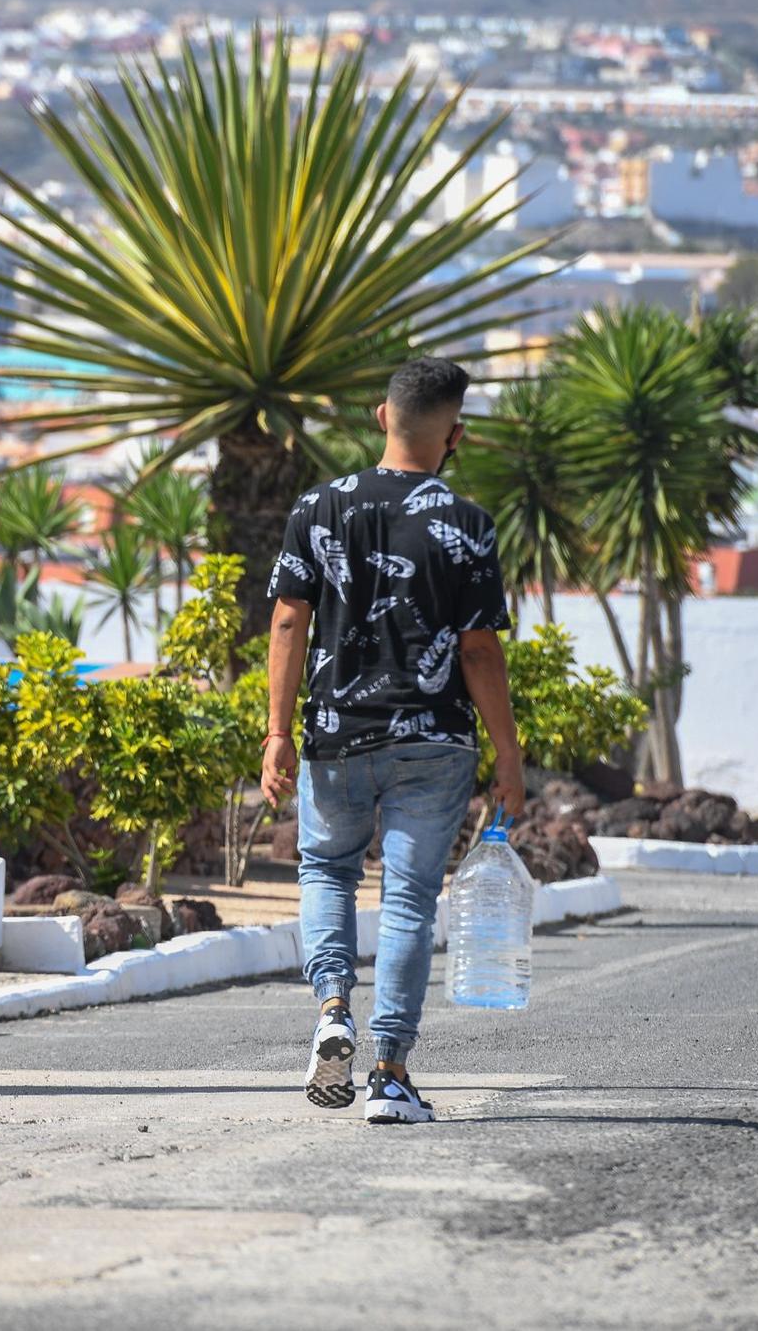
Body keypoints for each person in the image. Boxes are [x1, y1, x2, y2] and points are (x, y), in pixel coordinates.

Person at [260, 357, 526, 1125]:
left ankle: (333, 1007)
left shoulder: (318, 507)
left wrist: (278, 733)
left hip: (336, 735)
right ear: (456, 436)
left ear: (382, 416)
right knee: (408, 899)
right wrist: (508, 756)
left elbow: (286, 620)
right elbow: (478, 651)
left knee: (327, 872)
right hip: (433, 742)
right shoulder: (468, 524)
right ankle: (389, 1074)